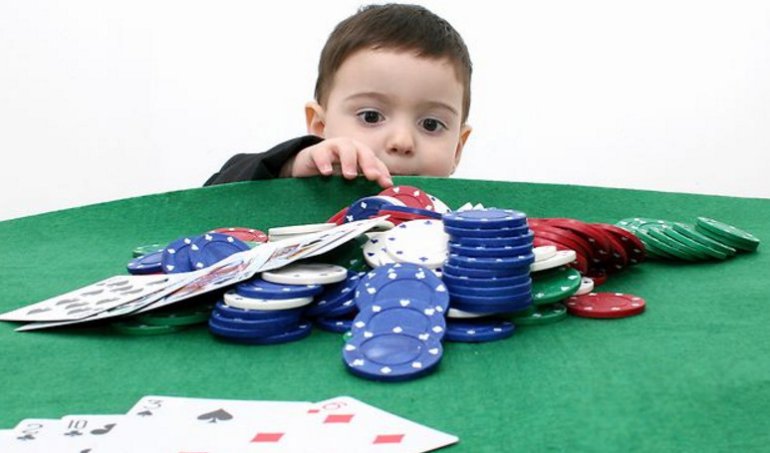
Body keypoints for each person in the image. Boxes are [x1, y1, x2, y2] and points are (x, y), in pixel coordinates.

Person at [205, 3, 473, 189]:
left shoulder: (467, 225)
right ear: (320, 126)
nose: (401, 142)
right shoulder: (304, 189)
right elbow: (208, 199)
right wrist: (288, 167)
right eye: (371, 116)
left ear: (457, 149)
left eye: (431, 124)